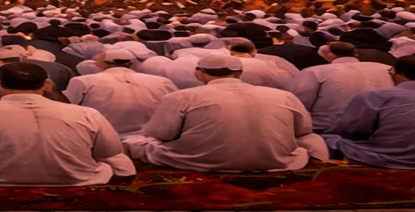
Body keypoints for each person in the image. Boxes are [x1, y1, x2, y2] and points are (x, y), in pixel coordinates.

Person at [0, 62, 134, 186]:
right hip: (77, 178)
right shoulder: (86, 113)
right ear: (47, 85)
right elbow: (109, 151)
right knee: (119, 159)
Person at [122, 54, 326, 171]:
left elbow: (160, 135)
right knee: (312, 139)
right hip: (277, 159)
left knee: (137, 141)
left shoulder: (182, 97)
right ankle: (323, 171)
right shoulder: (282, 96)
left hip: (196, 160)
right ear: (240, 73)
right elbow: (303, 131)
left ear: (198, 73)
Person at [61, 48, 176, 135]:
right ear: (131, 63)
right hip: (149, 141)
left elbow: (66, 110)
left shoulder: (83, 81)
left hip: (101, 139)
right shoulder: (162, 82)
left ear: (100, 64)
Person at [289, 42, 393, 132]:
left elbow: (299, 105)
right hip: (381, 128)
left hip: (326, 130)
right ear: (355, 53)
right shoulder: (386, 68)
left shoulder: (315, 71)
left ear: (329, 54)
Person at [221, 40, 299, 89]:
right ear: (254, 51)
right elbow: (295, 78)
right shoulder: (275, 61)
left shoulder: (223, 62)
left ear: (231, 52)